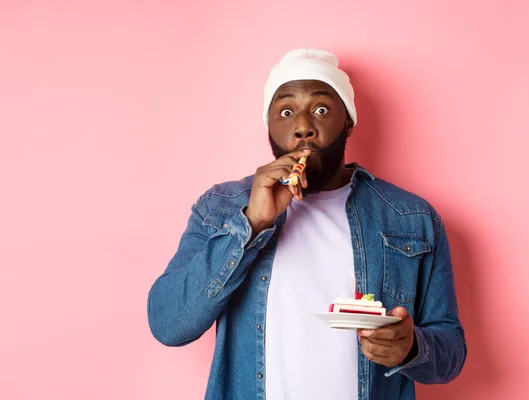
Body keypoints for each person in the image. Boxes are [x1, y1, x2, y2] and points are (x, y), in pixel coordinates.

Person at [147, 48, 467, 400]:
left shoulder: (411, 217)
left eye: (320, 109)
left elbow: (451, 353)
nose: (303, 127)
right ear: (268, 126)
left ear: (348, 120)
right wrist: (251, 224)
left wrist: (411, 347)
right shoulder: (220, 208)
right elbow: (169, 325)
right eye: (286, 112)